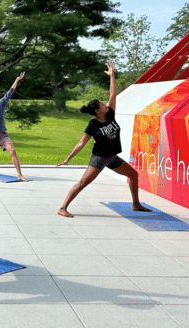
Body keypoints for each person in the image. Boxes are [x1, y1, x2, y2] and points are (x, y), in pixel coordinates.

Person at [57, 61, 151, 218]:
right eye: (102, 105)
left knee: (133, 175)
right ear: (97, 111)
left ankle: (136, 204)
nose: (105, 105)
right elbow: (81, 143)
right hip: (99, 159)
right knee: (82, 184)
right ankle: (62, 208)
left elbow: (112, 94)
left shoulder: (110, 114)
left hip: (113, 158)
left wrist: (112, 75)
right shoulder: (92, 125)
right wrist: (68, 158)